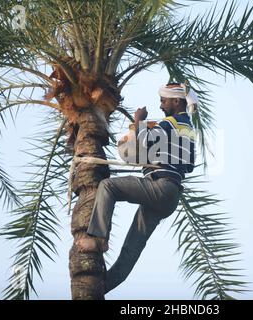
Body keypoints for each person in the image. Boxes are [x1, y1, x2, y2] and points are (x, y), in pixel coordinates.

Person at [76, 82, 197, 293]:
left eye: (163, 100)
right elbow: (189, 165)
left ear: (176, 101)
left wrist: (139, 119)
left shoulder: (170, 122)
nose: (161, 106)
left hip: (161, 187)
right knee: (134, 244)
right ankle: (104, 285)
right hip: (170, 198)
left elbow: (147, 142)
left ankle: (99, 239)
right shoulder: (188, 128)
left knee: (107, 186)